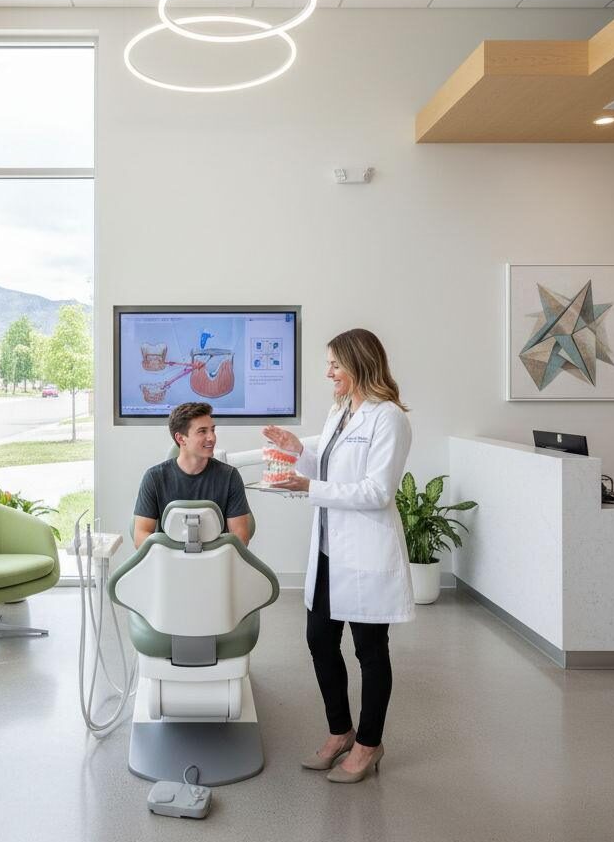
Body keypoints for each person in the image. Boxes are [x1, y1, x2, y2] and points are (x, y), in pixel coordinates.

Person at [262, 328, 413, 785]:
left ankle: (369, 743)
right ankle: (340, 731)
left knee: (370, 650)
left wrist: (309, 487)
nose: (328, 372)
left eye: (334, 364)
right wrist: (297, 453)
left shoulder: (389, 419)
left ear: (360, 363)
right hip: (330, 548)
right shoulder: (340, 411)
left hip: (366, 550)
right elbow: (325, 467)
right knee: (319, 641)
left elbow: (376, 491)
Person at [133, 401, 252, 549]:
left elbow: (240, 538)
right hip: (168, 565)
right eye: (202, 431)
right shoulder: (154, 478)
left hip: (217, 564)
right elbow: (140, 536)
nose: (212, 437)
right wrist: (176, 555)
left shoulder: (229, 477)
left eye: (212, 430)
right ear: (181, 438)